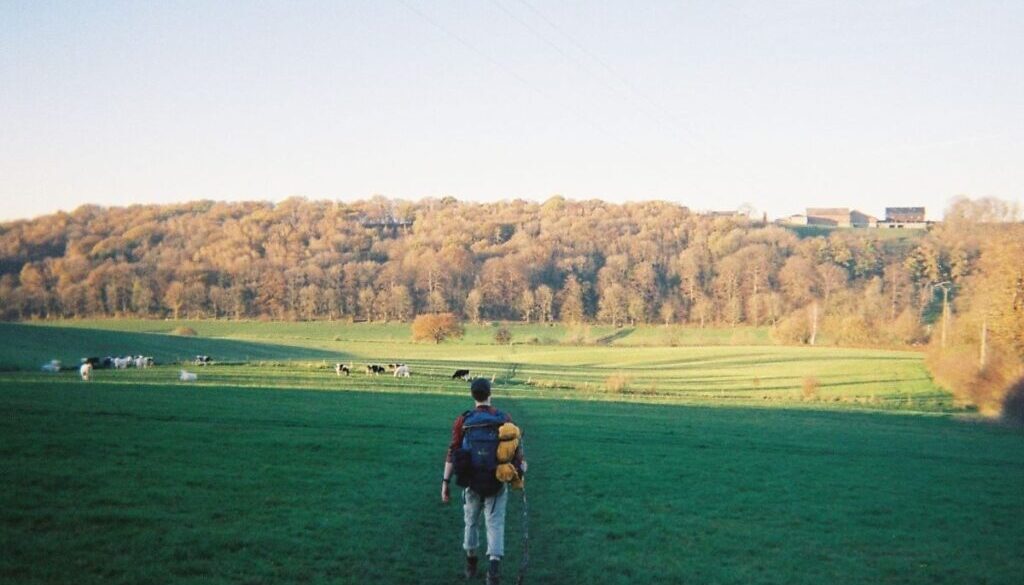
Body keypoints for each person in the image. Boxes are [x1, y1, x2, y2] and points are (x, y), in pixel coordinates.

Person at [442, 378, 526, 585]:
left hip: (471, 481)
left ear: (473, 395)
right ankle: (493, 571)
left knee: (470, 523)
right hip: (497, 481)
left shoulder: (464, 420)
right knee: (495, 524)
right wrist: (520, 471)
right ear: (490, 394)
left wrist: (445, 482)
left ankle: (471, 563)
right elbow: (518, 454)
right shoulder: (504, 418)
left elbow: (453, 451)